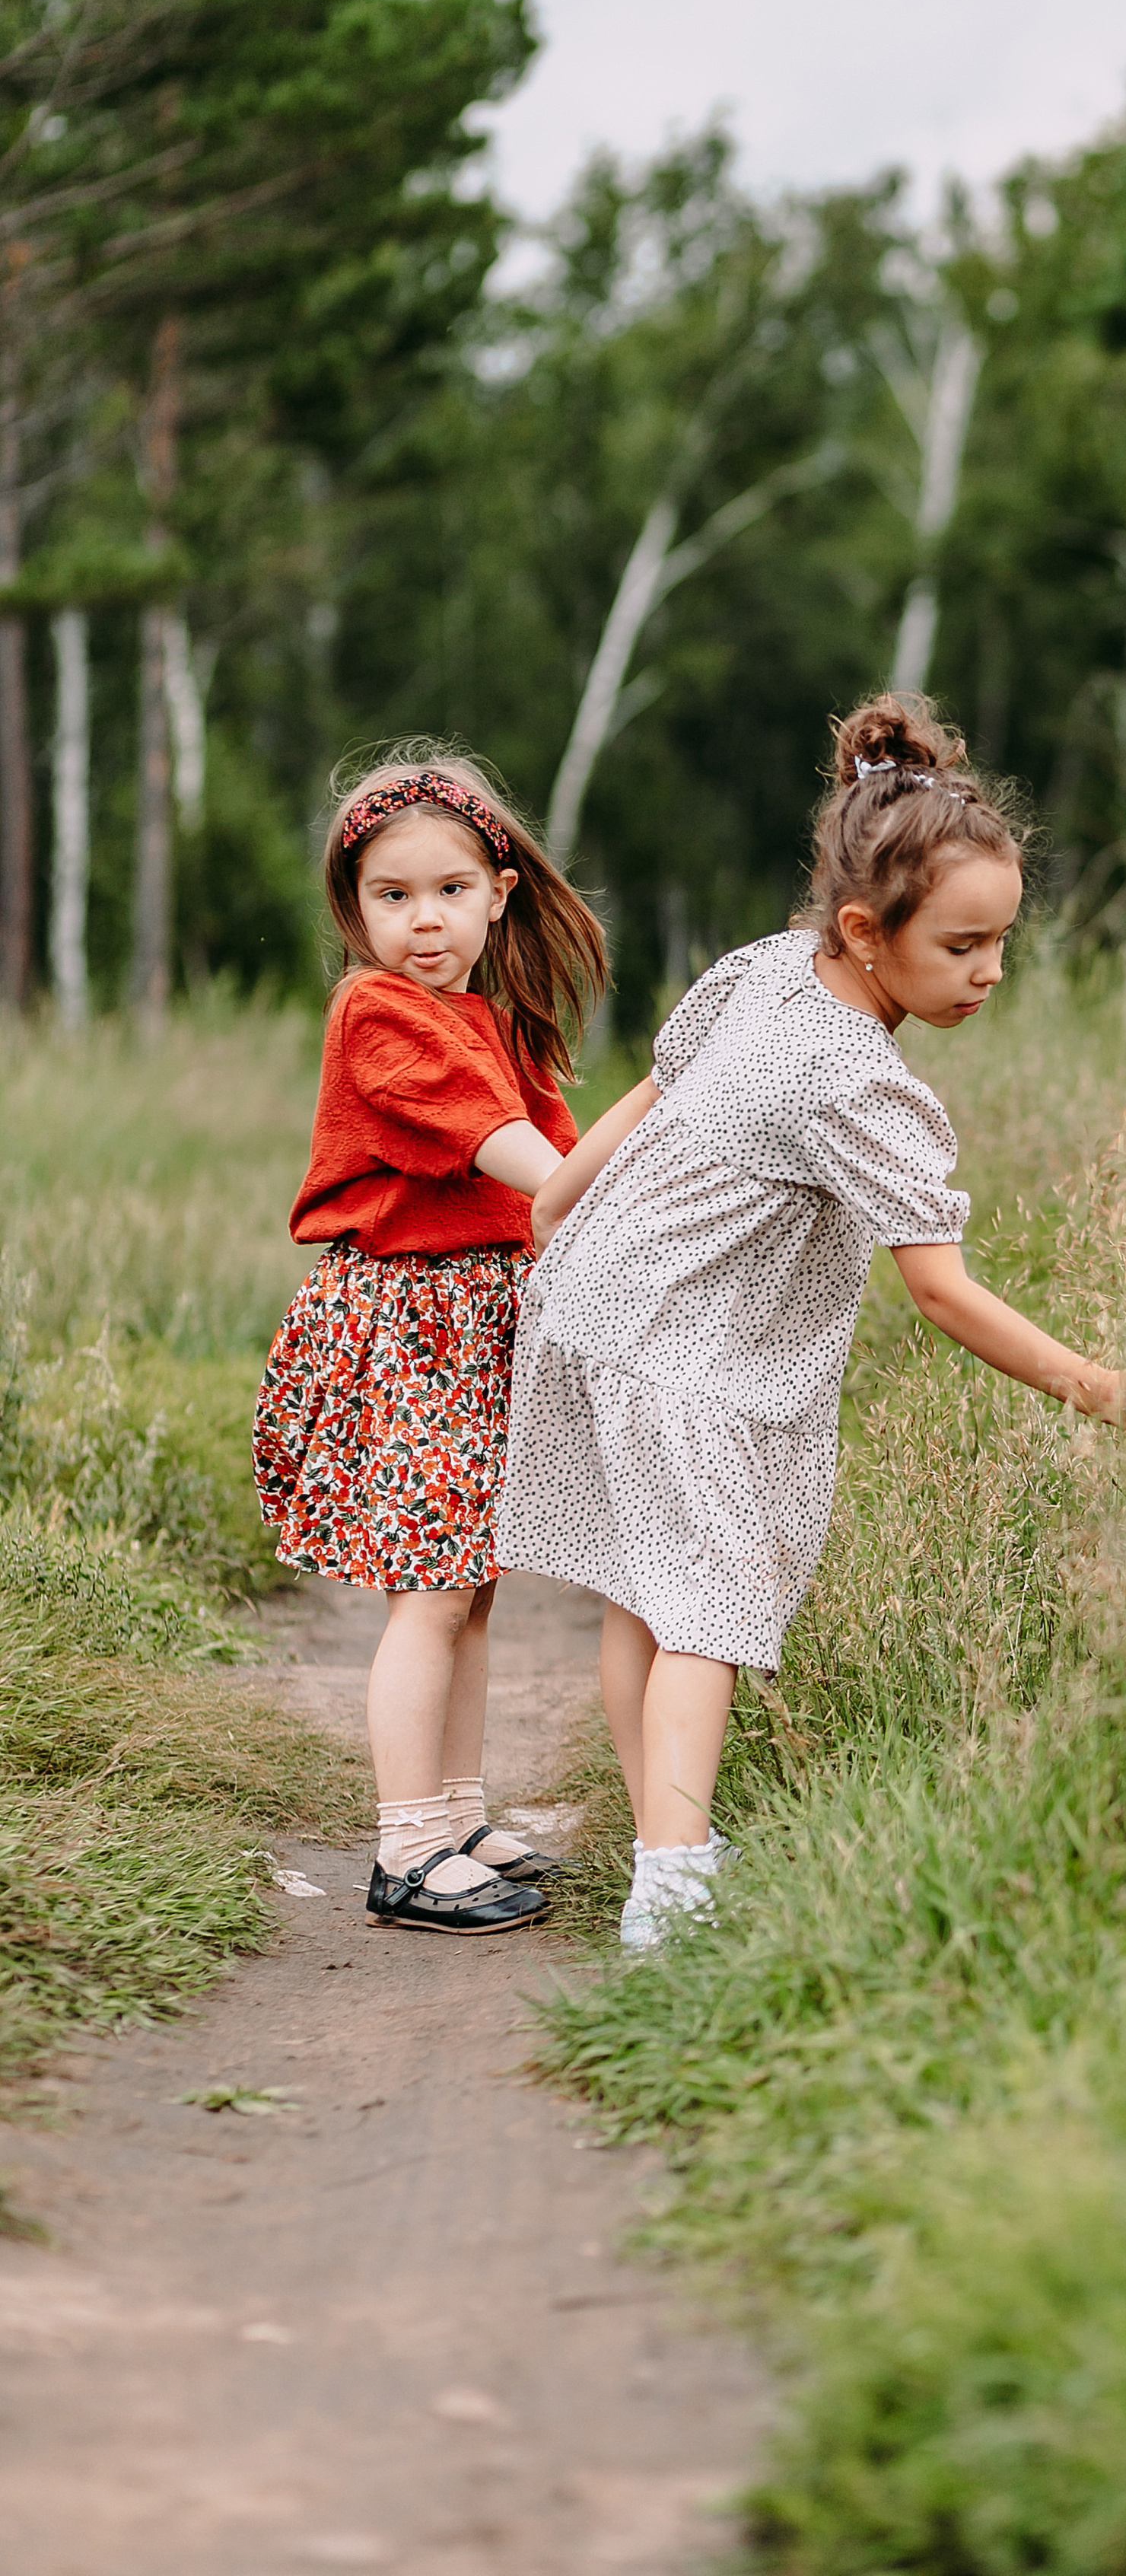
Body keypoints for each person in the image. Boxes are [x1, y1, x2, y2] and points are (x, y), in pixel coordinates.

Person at [496, 693, 1126, 1950]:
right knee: (707, 1613)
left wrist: (558, 1208)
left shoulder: (762, 968)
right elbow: (943, 1291)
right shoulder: (862, 1083)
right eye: (962, 946)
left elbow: (653, 1086)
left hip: (596, 1312)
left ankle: (662, 1844)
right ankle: (676, 1890)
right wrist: (1103, 1388)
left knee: (647, 1600)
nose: (990, 973)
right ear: (868, 929)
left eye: (1003, 942)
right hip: (686, 1355)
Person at [253, 750, 605, 1935]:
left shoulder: (489, 1017)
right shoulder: (378, 1013)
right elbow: (511, 1152)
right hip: (408, 1325)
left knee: (473, 1588)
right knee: (433, 1591)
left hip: (476, 1320)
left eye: (449, 890)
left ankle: (455, 1815)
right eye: (390, 897)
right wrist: (589, 1196)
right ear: (352, 911)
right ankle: (406, 1848)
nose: (421, 920)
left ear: (499, 891)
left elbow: (549, 1168)